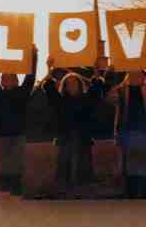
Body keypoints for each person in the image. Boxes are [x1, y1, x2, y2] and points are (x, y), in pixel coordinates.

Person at [0, 43, 38, 200]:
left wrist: (33, 55)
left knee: (16, 166)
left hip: (18, 135)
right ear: (1, 81)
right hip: (0, 135)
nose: (7, 78)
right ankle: (4, 193)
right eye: (4, 77)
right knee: (3, 166)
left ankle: (17, 193)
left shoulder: (23, 92)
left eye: (11, 77)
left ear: (17, 81)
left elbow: (30, 76)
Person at [41, 57, 107, 196]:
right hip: (65, 138)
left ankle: (83, 193)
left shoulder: (87, 98)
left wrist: (96, 70)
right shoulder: (59, 100)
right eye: (69, 83)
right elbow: (47, 86)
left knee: (83, 169)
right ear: (64, 86)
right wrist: (49, 69)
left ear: (80, 84)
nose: (72, 85)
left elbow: (97, 87)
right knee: (64, 168)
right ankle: (65, 193)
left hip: (83, 138)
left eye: (74, 82)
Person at [106, 64, 146, 199]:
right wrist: (109, 75)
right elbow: (109, 97)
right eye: (132, 73)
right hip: (126, 131)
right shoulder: (120, 90)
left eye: (138, 72)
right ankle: (131, 193)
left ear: (143, 74)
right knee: (128, 165)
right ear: (127, 75)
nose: (135, 75)